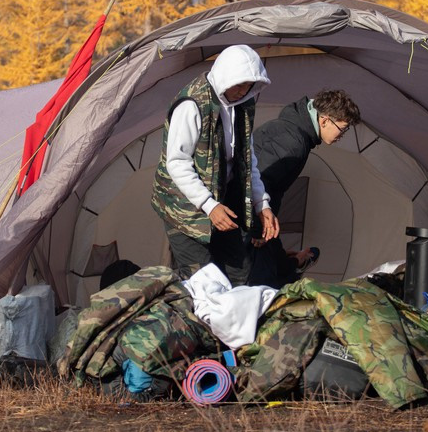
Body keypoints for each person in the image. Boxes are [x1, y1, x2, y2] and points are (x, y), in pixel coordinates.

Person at [150, 45, 280, 283]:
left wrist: (262, 204)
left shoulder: (243, 104)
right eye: (238, 84)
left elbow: (247, 158)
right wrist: (209, 205)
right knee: (203, 280)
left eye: (249, 85)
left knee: (240, 271)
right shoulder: (192, 104)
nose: (242, 91)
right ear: (225, 76)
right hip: (184, 206)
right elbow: (177, 162)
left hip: (224, 197)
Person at [248, 89, 361, 288]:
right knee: (265, 284)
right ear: (324, 120)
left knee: (276, 264)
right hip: (250, 221)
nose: (341, 136)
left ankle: (293, 261)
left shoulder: (290, 129)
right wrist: (259, 230)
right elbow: (261, 181)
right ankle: (295, 264)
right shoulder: (293, 142)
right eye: (342, 129)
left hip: (256, 218)